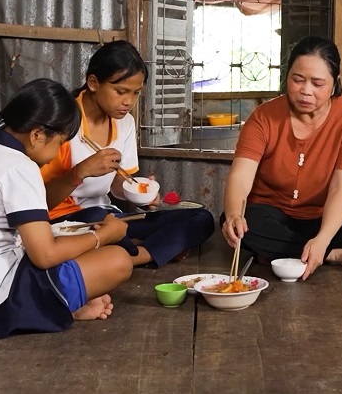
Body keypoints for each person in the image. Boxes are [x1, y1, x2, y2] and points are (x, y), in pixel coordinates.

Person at [0, 79, 133, 339]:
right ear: (37, 135)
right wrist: (102, 236)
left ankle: (62, 304)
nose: (59, 151)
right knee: (117, 261)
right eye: (60, 142)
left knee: (72, 243)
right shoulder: (18, 165)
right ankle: (56, 306)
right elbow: (45, 256)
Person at [221, 35, 342, 280]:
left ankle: (293, 250)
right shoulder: (264, 116)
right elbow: (240, 175)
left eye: (317, 84)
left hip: (322, 218)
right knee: (236, 221)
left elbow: (341, 189)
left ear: (335, 83)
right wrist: (235, 214)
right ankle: (331, 255)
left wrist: (322, 238)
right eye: (297, 80)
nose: (305, 91)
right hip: (272, 216)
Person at [40, 40, 214, 267]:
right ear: (93, 83)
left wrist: (138, 191)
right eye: (120, 91)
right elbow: (40, 201)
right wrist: (80, 172)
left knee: (201, 218)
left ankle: (135, 253)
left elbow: (118, 183)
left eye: (136, 93)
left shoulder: (125, 123)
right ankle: (145, 250)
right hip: (65, 222)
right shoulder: (63, 122)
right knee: (97, 220)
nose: (128, 102)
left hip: (108, 216)